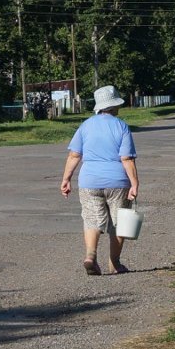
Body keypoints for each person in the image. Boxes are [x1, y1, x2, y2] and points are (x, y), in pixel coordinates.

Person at [60, 85, 139, 275]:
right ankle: (115, 264)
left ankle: (90, 256)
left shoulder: (86, 125)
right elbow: (126, 159)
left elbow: (74, 155)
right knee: (120, 223)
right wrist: (135, 183)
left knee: (91, 220)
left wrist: (66, 179)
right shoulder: (121, 126)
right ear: (115, 106)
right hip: (118, 182)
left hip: (89, 181)